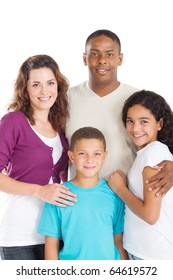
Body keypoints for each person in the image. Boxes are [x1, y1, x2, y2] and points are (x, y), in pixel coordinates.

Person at [65, 29, 173, 196]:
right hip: (80, 198)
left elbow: (167, 133)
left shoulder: (137, 100)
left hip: (128, 200)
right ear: (85, 59)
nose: (102, 61)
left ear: (120, 59)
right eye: (95, 54)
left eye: (109, 54)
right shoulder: (65, 99)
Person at [0, 54, 77, 260]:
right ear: (25, 88)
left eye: (50, 83)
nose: (45, 91)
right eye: (36, 84)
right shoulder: (13, 121)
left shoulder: (60, 126)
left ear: (58, 86)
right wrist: (39, 191)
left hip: (54, 235)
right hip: (19, 237)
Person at [37, 127, 128, 260]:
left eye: (97, 153)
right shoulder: (57, 195)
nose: (90, 159)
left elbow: (118, 241)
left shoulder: (114, 195)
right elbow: (51, 244)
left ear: (104, 156)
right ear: (72, 156)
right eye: (82, 154)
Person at [108, 90, 173, 259]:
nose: (135, 128)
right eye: (130, 121)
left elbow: (150, 215)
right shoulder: (147, 154)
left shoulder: (153, 153)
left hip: (152, 253)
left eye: (144, 122)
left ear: (160, 123)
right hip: (143, 250)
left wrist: (120, 188)